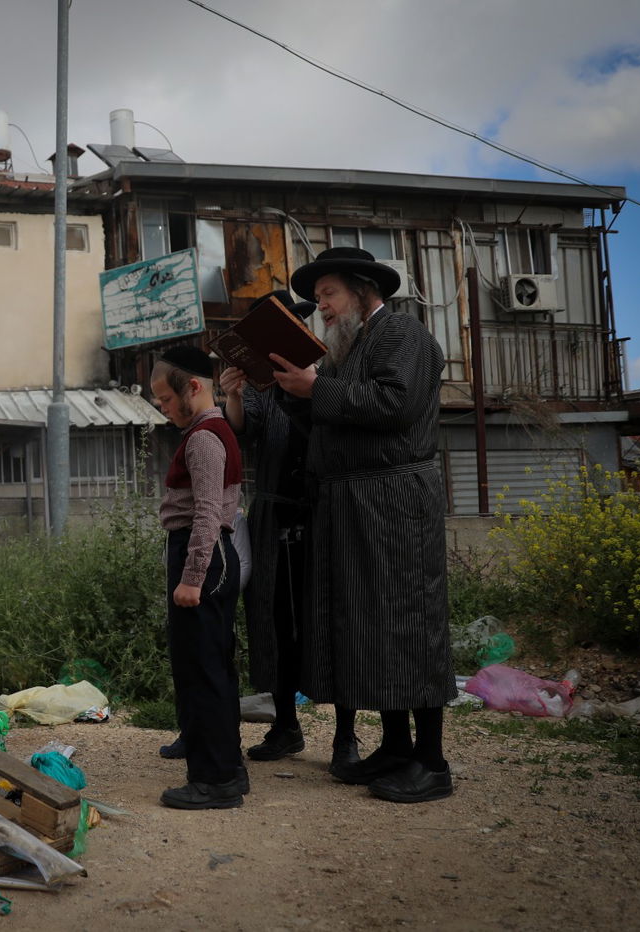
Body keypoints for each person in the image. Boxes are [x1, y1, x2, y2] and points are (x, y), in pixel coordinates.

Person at [271, 247, 456, 804]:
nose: (320, 305)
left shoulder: (403, 335)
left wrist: (316, 388)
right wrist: (295, 391)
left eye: (328, 293)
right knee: (372, 630)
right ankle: (397, 745)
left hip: (396, 502)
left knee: (408, 621)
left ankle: (433, 760)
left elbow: (395, 405)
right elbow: (333, 418)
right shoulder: (343, 350)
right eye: (320, 297)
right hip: (353, 504)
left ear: (362, 289)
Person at [219, 290, 360, 774]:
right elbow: (245, 431)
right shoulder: (261, 384)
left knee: (330, 616)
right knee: (272, 619)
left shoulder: (331, 375)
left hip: (322, 511)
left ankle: (346, 735)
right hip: (272, 513)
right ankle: (285, 726)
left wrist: (309, 388)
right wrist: (233, 395)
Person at [151, 346, 248, 810]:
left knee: (205, 669)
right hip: (208, 557)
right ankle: (227, 766)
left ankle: (215, 781)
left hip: (203, 557)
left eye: (166, 399)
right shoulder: (209, 430)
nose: (163, 407)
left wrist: (192, 576)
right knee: (210, 667)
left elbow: (208, 513)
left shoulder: (205, 436)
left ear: (193, 387)